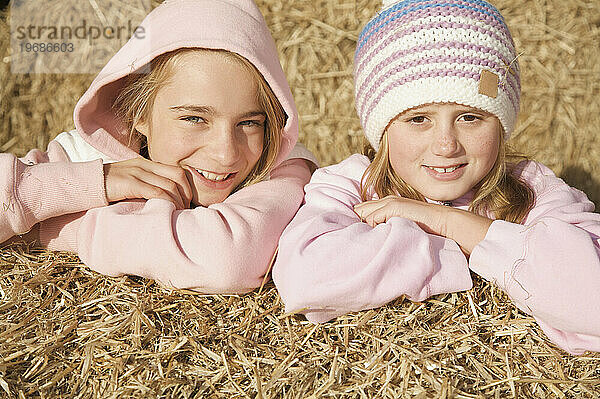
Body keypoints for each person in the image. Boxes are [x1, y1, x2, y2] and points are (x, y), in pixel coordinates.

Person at [272, 0, 600, 355]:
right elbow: (306, 278)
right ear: (383, 130)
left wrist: (445, 222)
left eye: (470, 117)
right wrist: (475, 253)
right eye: (418, 120)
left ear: (502, 124)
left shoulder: (533, 188)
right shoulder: (349, 185)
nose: (446, 145)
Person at [0, 0, 317, 293]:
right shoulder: (84, 158)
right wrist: (99, 182)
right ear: (138, 114)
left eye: (249, 123)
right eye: (194, 119)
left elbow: (229, 261)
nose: (226, 153)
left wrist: (49, 229)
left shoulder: (283, 170)